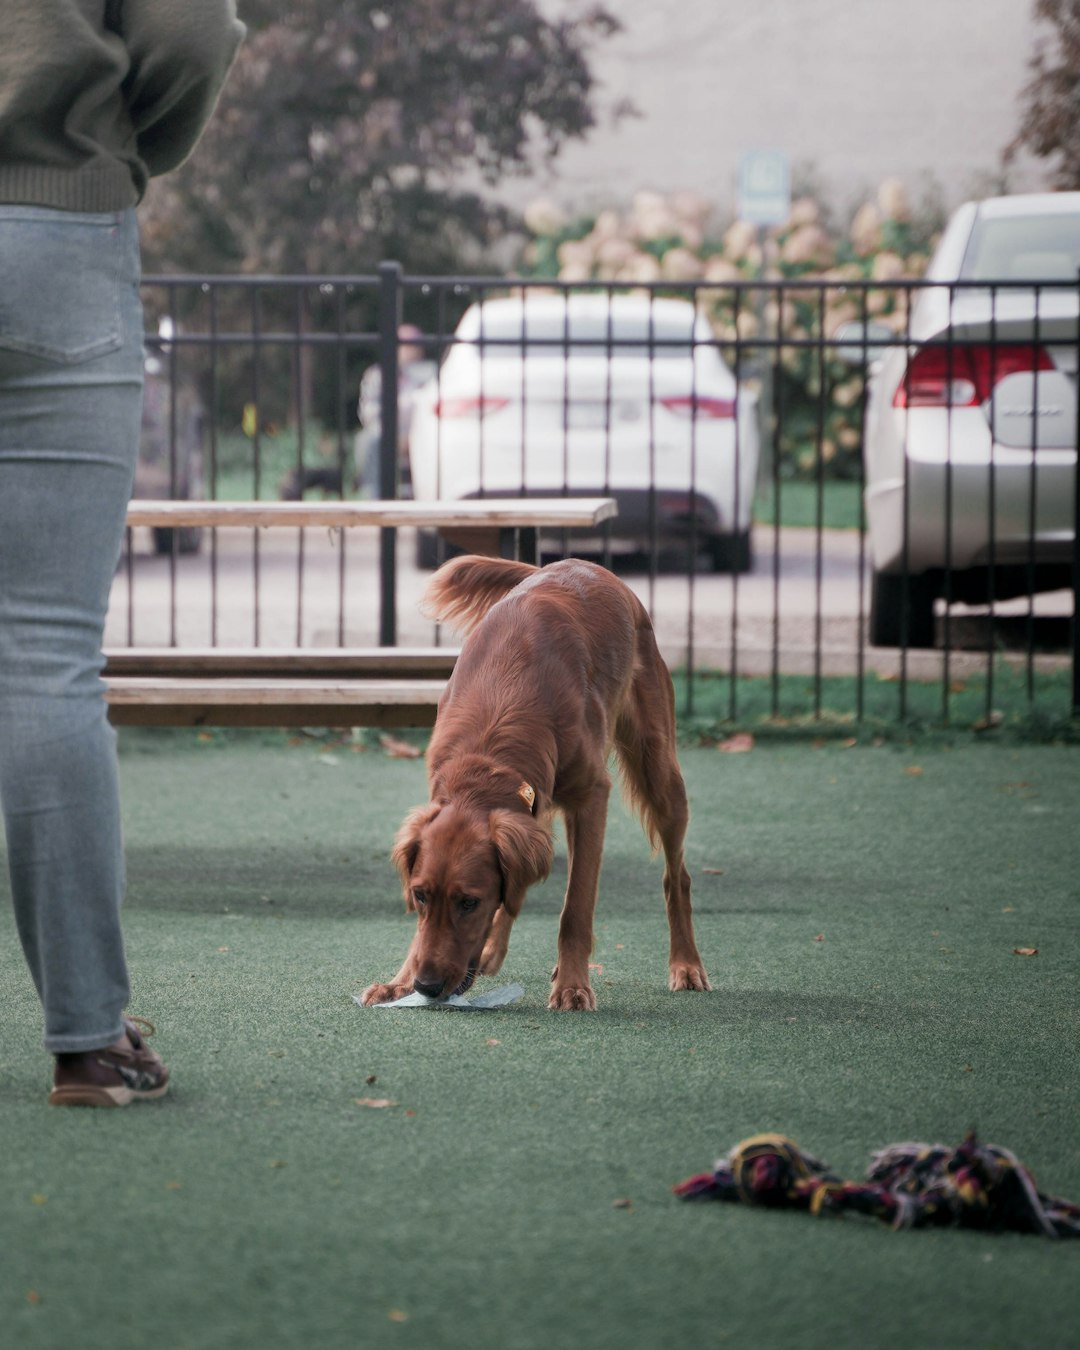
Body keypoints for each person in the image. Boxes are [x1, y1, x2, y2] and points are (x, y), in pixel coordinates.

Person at [0, 1, 244, 1105]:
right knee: (46, 662)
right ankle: (89, 1042)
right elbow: (192, 33)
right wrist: (112, 151)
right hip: (58, 232)